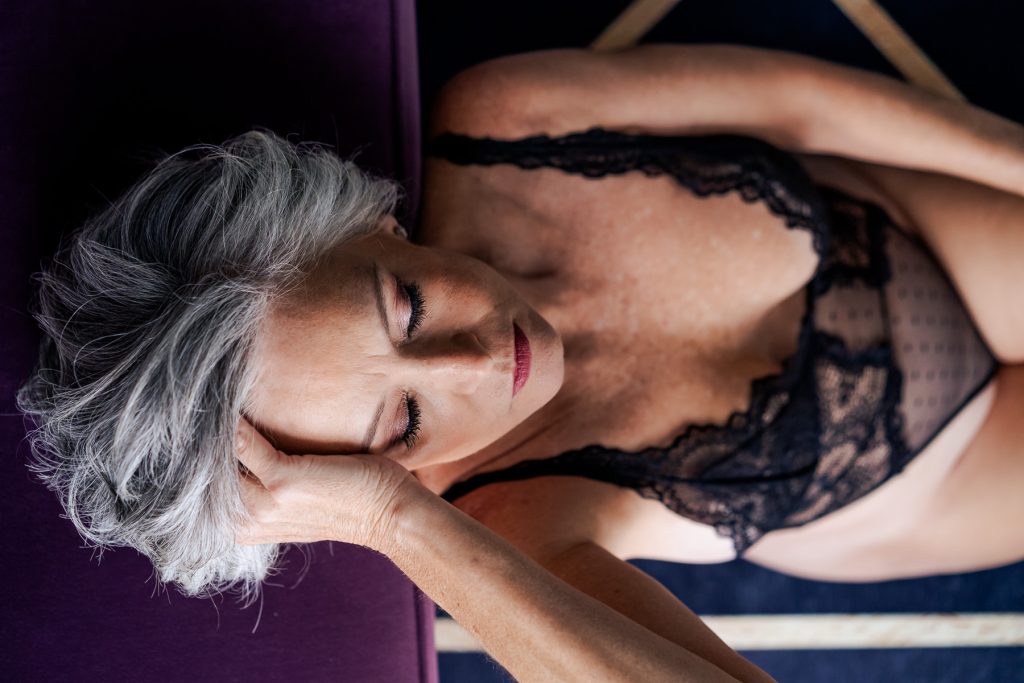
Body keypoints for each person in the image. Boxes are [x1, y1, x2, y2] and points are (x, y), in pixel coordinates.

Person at [18, 43, 1024, 681]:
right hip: (938, 468)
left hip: (913, 235)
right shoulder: (514, 523)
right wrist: (391, 518)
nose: (472, 362)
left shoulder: (514, 120)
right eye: (402, 423)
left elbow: (798, 104)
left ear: (371, 219)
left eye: (406, 305)